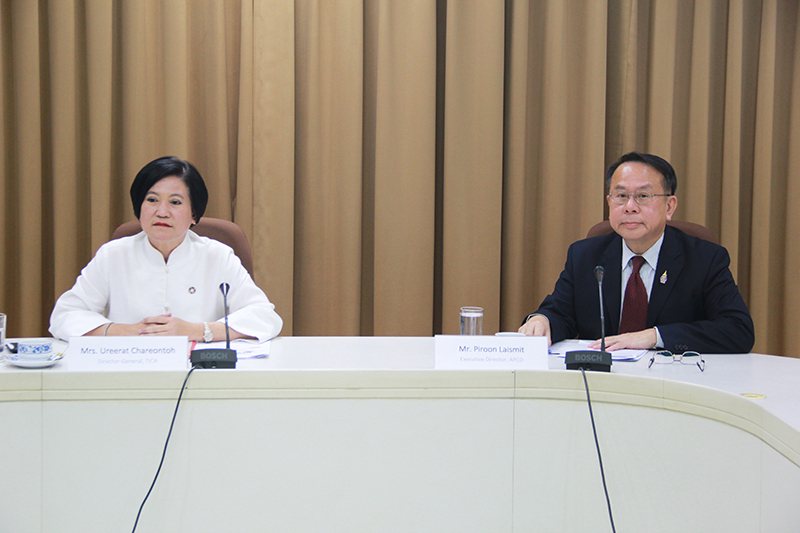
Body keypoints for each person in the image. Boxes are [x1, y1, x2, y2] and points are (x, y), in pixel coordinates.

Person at [518, 152, 754, 354]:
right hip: (601, 382)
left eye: (643, 196)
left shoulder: (704, 259)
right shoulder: (585, 255)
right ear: (609, 202)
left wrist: (654, 336)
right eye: (621, 196)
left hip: (674, 386)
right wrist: (542, 320)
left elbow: (738, 330)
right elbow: (560, 313)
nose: (630, 206)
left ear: (669, 206)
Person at [49, 156, 282, 343]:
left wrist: (196, 330)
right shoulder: (113, 254)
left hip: (199, 375)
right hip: (127, 371)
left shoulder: (217, 256)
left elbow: (264, 317)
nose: (162, 212)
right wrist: (129, 331)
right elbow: (64, 316)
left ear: (194, 214)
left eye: (175, 202)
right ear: (139, 207)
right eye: (151, 200)